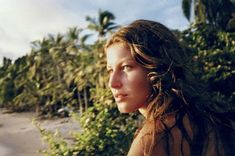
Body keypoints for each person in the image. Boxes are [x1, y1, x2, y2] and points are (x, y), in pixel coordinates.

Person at [105, 19, 235, 156]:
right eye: (110, 70)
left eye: (126, 67)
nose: (112, 83)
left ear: (156, 66)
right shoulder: (211, 119)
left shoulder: (150, 142)